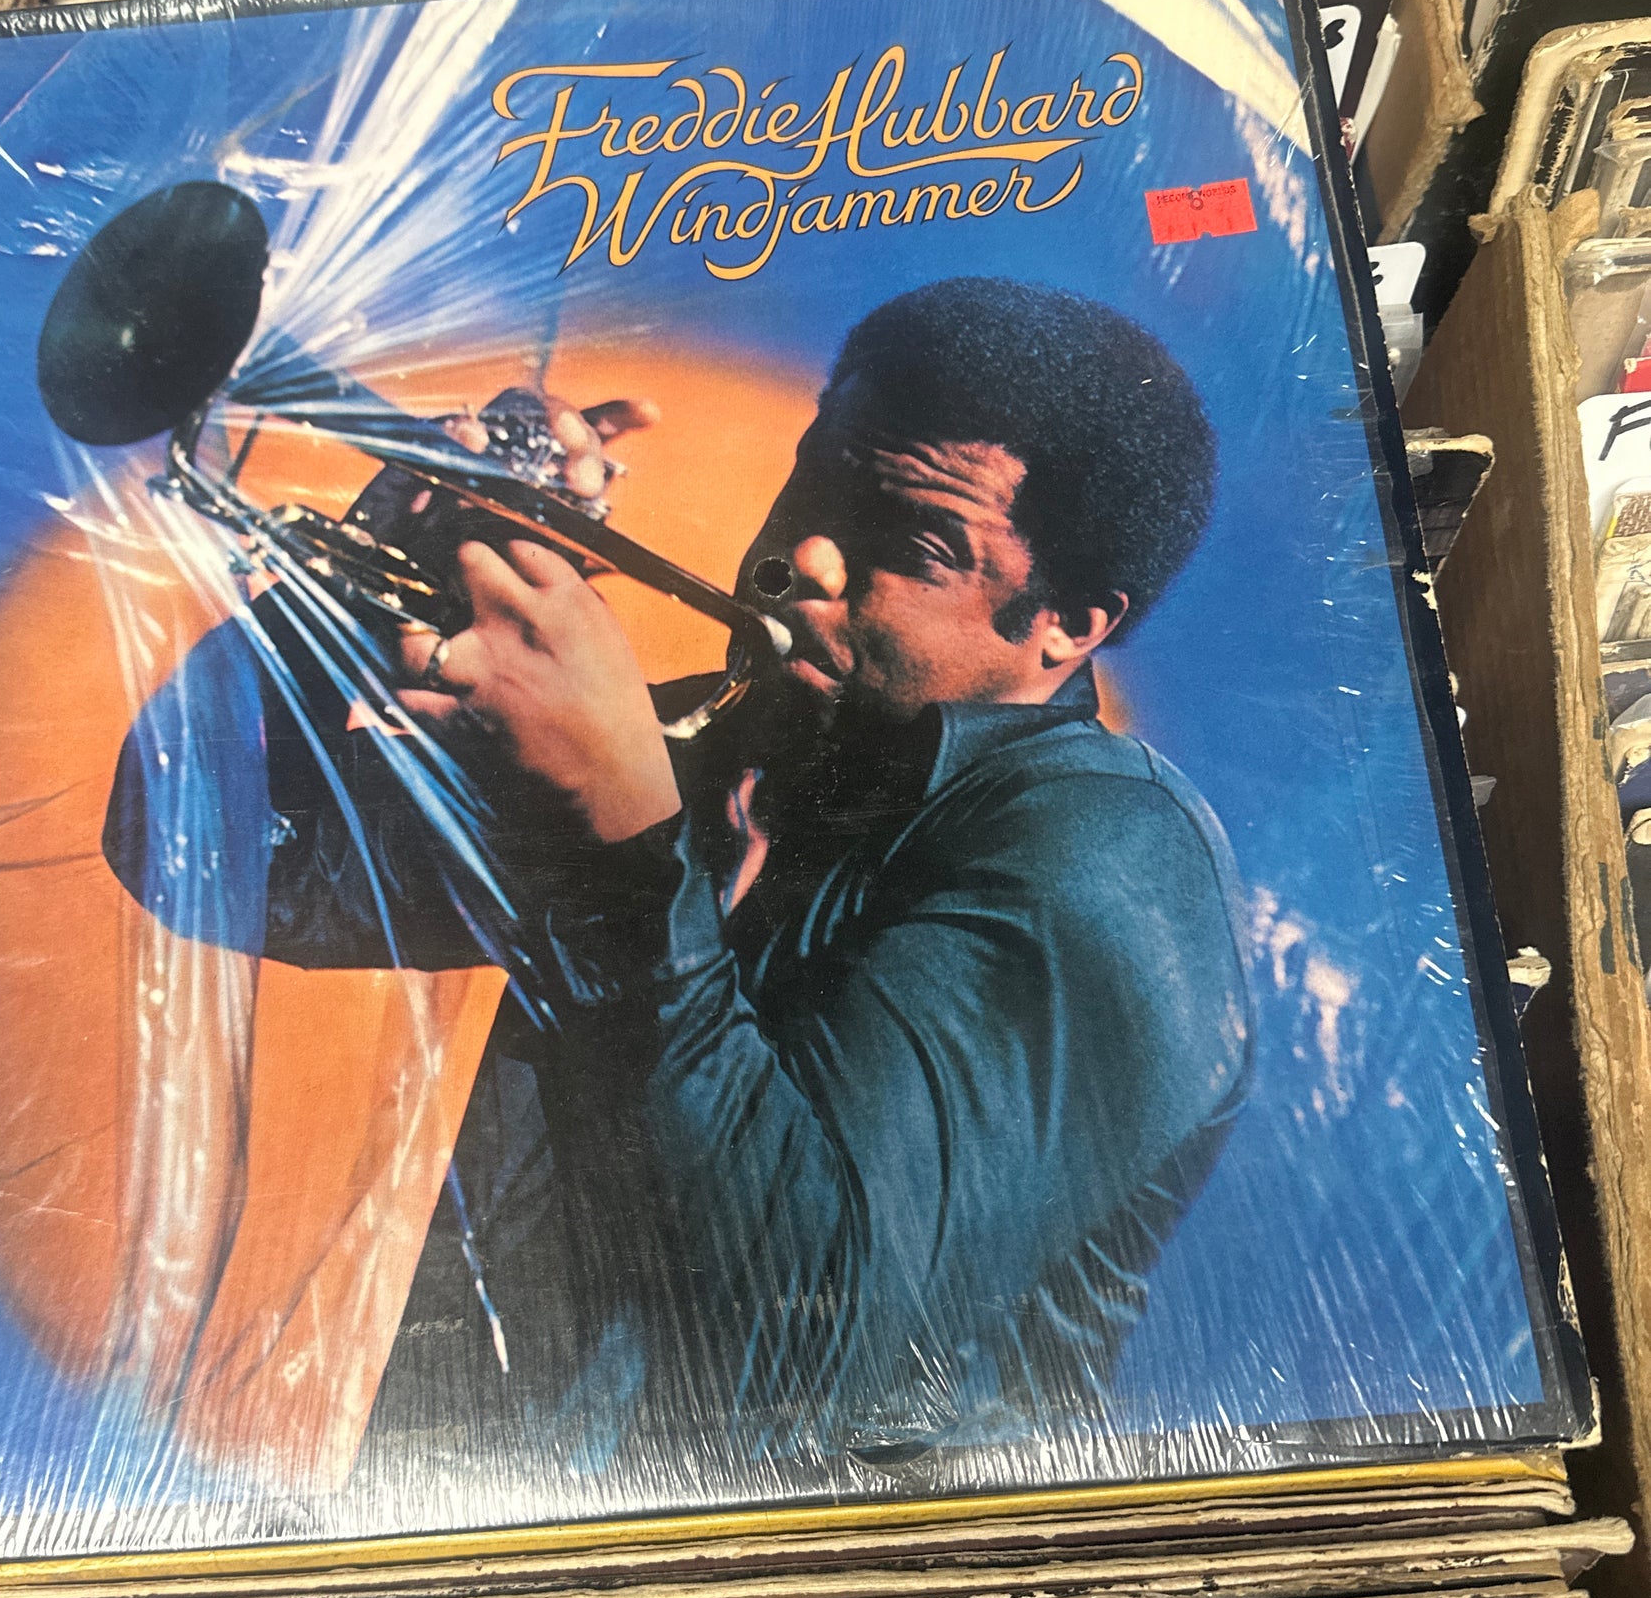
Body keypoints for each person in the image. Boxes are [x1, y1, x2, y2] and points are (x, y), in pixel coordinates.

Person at [104, 276, 1254, 1492]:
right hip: (510, 1556)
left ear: (1066, 625)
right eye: (816, 481)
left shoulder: (1110, 854)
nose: (804, 556)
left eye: (912, 543)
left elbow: (801, 1367)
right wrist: (383, 556)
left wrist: (620, 843)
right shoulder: (721, 759)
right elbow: (206, 853)